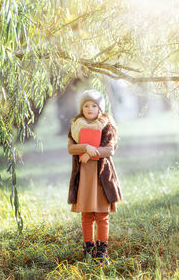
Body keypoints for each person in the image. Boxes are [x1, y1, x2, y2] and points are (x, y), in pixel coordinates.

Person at [67, 89, 122, 262]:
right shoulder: (76, 126)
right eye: (86, 105)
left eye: (94, 105)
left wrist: (92, 152)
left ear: (100, 109)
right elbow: (71, 148)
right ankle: (88, 246)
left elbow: (110, 149)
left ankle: (102, 248)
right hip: (84, 177)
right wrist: (85, 148)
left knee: (101, 214)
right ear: (81, 108)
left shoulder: (107, 126)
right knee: (87, 214)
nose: (90, 109)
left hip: (101, 178)